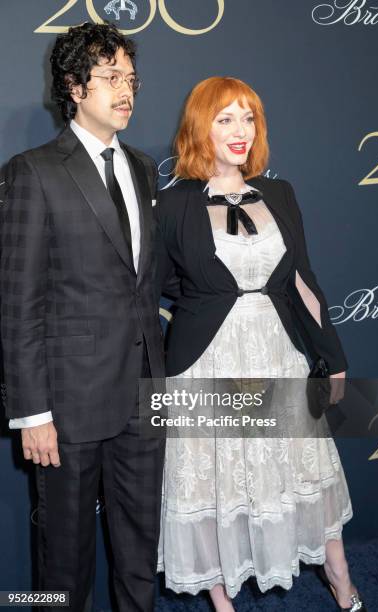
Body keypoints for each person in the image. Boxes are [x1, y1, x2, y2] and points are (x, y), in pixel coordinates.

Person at [155, 77, 366, 611]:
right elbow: (156, 286)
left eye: (248, 117)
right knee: (210, 483)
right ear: (200, 126)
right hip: (208, 361)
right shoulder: (172, 204)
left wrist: (333, 359)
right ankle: (221, 601)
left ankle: (341, 578)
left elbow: (301, 282)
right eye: (225, 118)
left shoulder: (280, 193)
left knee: (303, 466)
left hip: (278, 352)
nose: (240, 130)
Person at [0, 22, 165, 612]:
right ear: (74, 85)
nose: (126, 91)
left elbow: (143, 284)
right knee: (63, 566)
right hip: (67, 405)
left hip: (145, 396)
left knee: (141, 553)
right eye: (110, 77)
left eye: (131, 78)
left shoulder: (145, 168)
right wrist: (31, 412)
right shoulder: (33, 170)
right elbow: (18, 304)